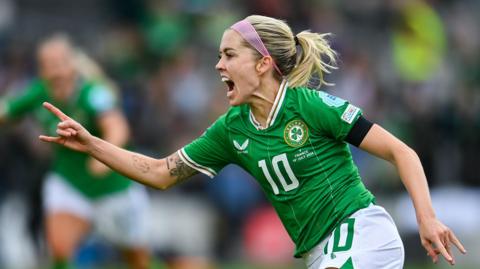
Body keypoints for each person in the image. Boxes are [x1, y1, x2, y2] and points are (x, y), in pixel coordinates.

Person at [38, 15, 466, 269]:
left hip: (363, 233)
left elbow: (401, 151)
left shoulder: (311, 106)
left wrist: (426, 218)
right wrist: (94, 144)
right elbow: (159, 172)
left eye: (228, 54)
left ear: (263, 63)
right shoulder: (231, 130)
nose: (217, 63)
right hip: (321, 253)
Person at [0, 35, 151, 269]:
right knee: (59, 248)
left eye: (59, 63)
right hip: (69, 183)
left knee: (137, 259)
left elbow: (117, 127)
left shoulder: (94, 93)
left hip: (113, 187)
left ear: (72, 65)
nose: (55, 71)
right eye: (48, 65)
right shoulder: (38, 93)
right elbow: (6, 110)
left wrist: (102, 159)